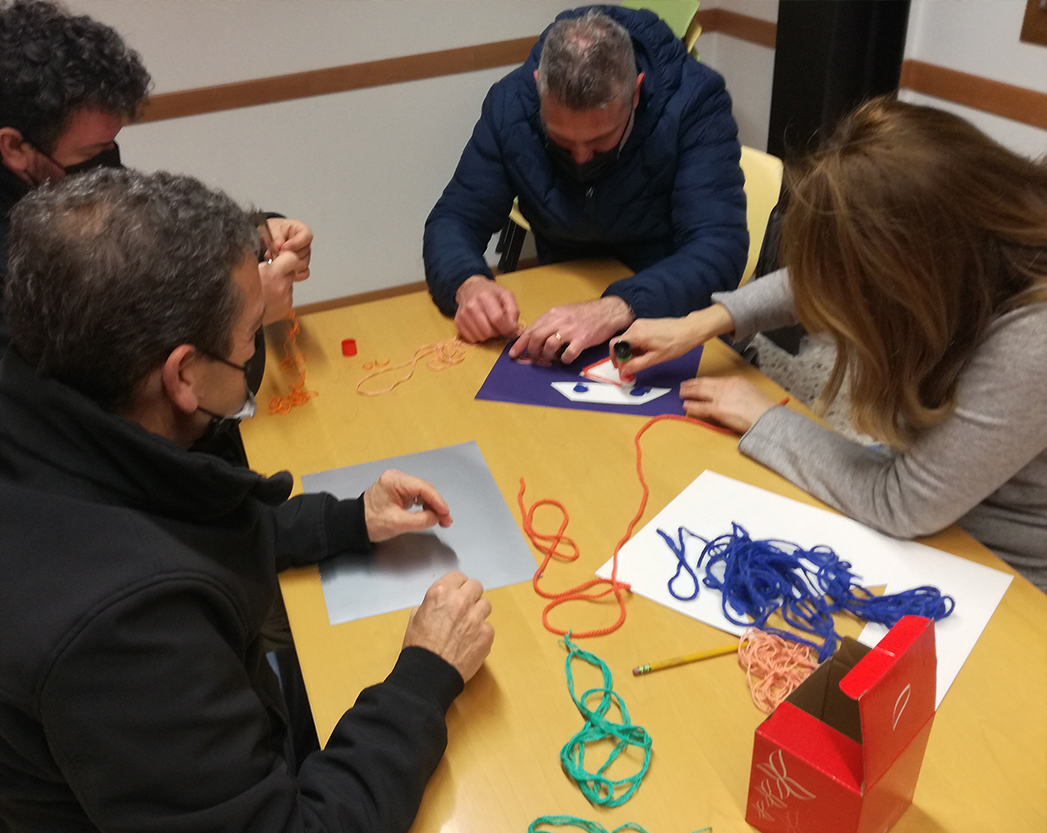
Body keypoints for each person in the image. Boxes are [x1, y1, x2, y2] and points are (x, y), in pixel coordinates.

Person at [0, 168, 495, 833]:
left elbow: (167, 517)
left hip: (72, 808)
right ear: (183, 376)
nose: (252, 362)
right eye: (249, 343)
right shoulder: (128, 634)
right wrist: (425, 676)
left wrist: (345, 520)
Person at [611, 97, 1047, 591]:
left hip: (1002, 567)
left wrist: (764, 417)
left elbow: (900, 503)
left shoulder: (1032, 339)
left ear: (919, 273)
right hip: (937, 499)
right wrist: (701, 323)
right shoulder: (970, 240)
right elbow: (827, 275)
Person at [0, 0, 311, 428]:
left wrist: (253, 238)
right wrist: (241, 315)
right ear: (15, 146)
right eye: (93, 152)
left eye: (112, 144)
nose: (109, 165)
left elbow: (159, 244)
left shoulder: (57, 183)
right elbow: (83, 424)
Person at [423, 5, 747, 366]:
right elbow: (455, 218)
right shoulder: (510, 104)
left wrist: (616, 307)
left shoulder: (695, 101)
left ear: (635, 93)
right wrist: (468, 283)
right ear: (539, 88)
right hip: (561, 300)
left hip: (671, 307)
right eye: (561, 140)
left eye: (600, 140)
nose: (580, 158)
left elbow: (719, 248)